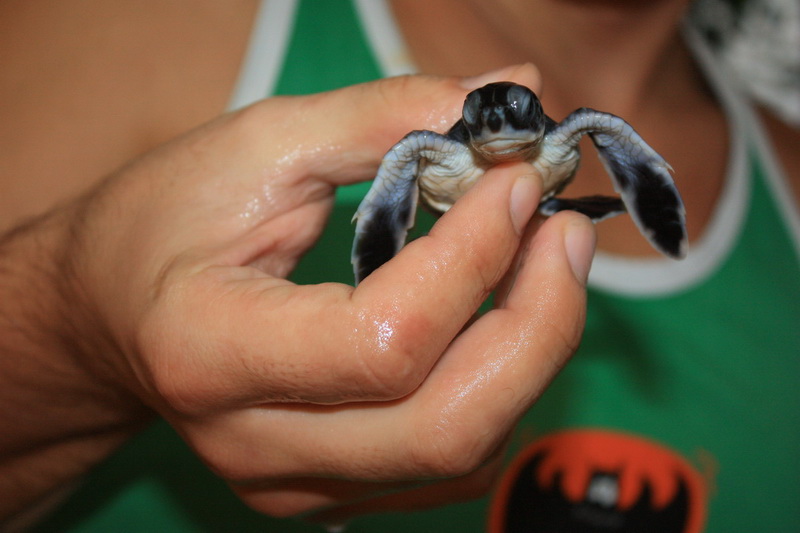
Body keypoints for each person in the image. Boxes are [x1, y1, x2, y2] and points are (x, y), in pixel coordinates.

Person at [1, 1, 798, 532]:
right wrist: (76, 341)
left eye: (511, 113)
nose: (499, 120)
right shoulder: (145, 22)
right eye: (487, 112)